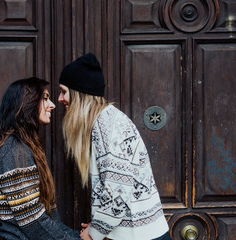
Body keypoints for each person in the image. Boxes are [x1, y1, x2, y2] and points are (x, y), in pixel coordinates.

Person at [58, 53, 171, 240]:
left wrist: (94, 233)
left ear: (79, 94)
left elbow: (117, 193)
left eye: (64, 91)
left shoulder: (106, 125)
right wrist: (99, 227)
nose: (60, 98)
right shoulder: (106, 121)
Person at [0, 77, 81, 240]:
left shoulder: (26, 147)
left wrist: (76, 237)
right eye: (46, 98)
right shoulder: (15, 151)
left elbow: (49, 216)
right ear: (27, 103)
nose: (53, 105)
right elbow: (33, 222)